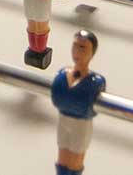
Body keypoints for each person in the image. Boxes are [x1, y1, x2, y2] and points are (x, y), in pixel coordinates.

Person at [49, 30, 105, 175]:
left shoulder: (95, 83)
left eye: (82, 48)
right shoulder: (62, 75)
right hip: (64, 119)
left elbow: (77, 102)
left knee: (75, 161)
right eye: (75, 46)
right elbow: (57, 99)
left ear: (92, 52)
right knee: (62, 159)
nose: (77, 51)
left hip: (81, 125)